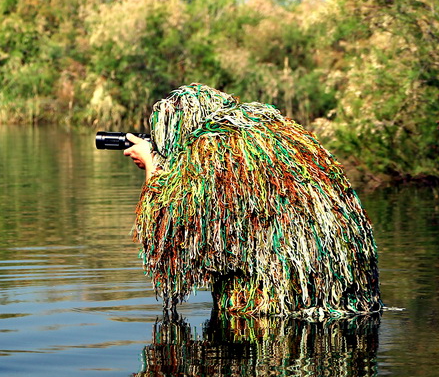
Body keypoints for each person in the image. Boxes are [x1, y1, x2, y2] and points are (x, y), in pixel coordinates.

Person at [123, 83, 381, 318]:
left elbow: (165, 245)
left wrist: (152, 166)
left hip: (273, 308)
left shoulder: (211, 150)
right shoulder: (282, 134)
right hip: (353, 301)